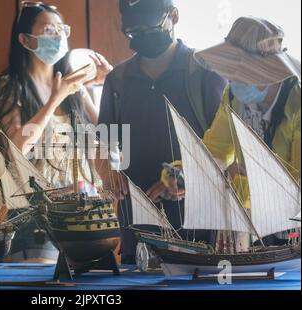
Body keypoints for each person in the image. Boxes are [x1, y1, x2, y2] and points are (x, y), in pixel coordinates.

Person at [97, 0, 227, 264]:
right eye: (135, 32)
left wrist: (192, 178)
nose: (143, 36)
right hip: (138, 220)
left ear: (174, 16)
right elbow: (103, 144)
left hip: (199, 222)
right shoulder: (118, 79)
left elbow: (226, 149)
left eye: (151, 27)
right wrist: (107, 170)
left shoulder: (205, 72)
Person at [0, 1, 113, 263]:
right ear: (25, 40)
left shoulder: (74, 85)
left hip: (80, 211)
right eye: (48, 30)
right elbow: (15, 149)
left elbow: (105, 136)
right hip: (36, 214)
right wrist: (54, 100)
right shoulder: (11, 85)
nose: (58, 37)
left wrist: (108, 85)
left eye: (61, 29)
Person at [193, 16, 300, 250]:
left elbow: (295, 186)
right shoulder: (233, 95)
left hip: (293, 227)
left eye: (239, 71)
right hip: (251, 220)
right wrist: (186, 173)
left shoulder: (297, 102)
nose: (231, 79)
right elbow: (217, 149)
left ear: (267, 71)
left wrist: (237, 181)